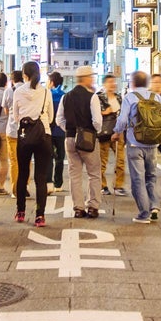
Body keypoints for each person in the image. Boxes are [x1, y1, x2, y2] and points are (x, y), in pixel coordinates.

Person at [116, 70, 161, 223]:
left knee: (138, 178)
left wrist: (116, 132)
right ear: (147, 83)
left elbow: (123, 121)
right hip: (153, 143)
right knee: (151, 176)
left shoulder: (130, 98)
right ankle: (154, 206)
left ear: (133, 83)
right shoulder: (156, 97)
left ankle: (144, 213)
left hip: (135, 143)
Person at [10, 61, 56, 226]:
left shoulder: (18, 91)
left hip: (24, 136)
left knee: (23, 174)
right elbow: (51, 117)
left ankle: (20, 211)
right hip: (44, 136)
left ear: (24, 75)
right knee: (41, 177)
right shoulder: (45, 92)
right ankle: (40, 216)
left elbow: (15, 116)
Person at [58, 64, 104, 218]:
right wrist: (90, 131)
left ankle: (78, 208)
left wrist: (70, 130)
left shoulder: (66, 97)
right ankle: (93, 207)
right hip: (88, 139)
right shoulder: (92, 97)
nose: (93, 79)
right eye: (91, 76)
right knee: (94, 173)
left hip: (70, 138)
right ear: (86, 79)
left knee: (75, 174)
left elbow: (59, 119)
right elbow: (97, 121)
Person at [98, 75, 126, 195]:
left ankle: (118, 186)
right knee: (102, 161)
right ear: (104, 84)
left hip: (118, 133)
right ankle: (102, 185)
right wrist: (104, 112)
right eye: (109, 82)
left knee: (120, 160)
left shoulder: (119, 98)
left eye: (114, 82)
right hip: (104, 133)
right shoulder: (98, 97)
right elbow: (92, 113)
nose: (112, 84)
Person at [48, 71, 67, 189]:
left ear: (51, 82)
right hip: (61, 130)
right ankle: (58, 183)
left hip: (48, 130)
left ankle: (48, 182)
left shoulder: (47, 95)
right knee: (60, 157)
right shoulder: (64, 95)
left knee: (48, 157)